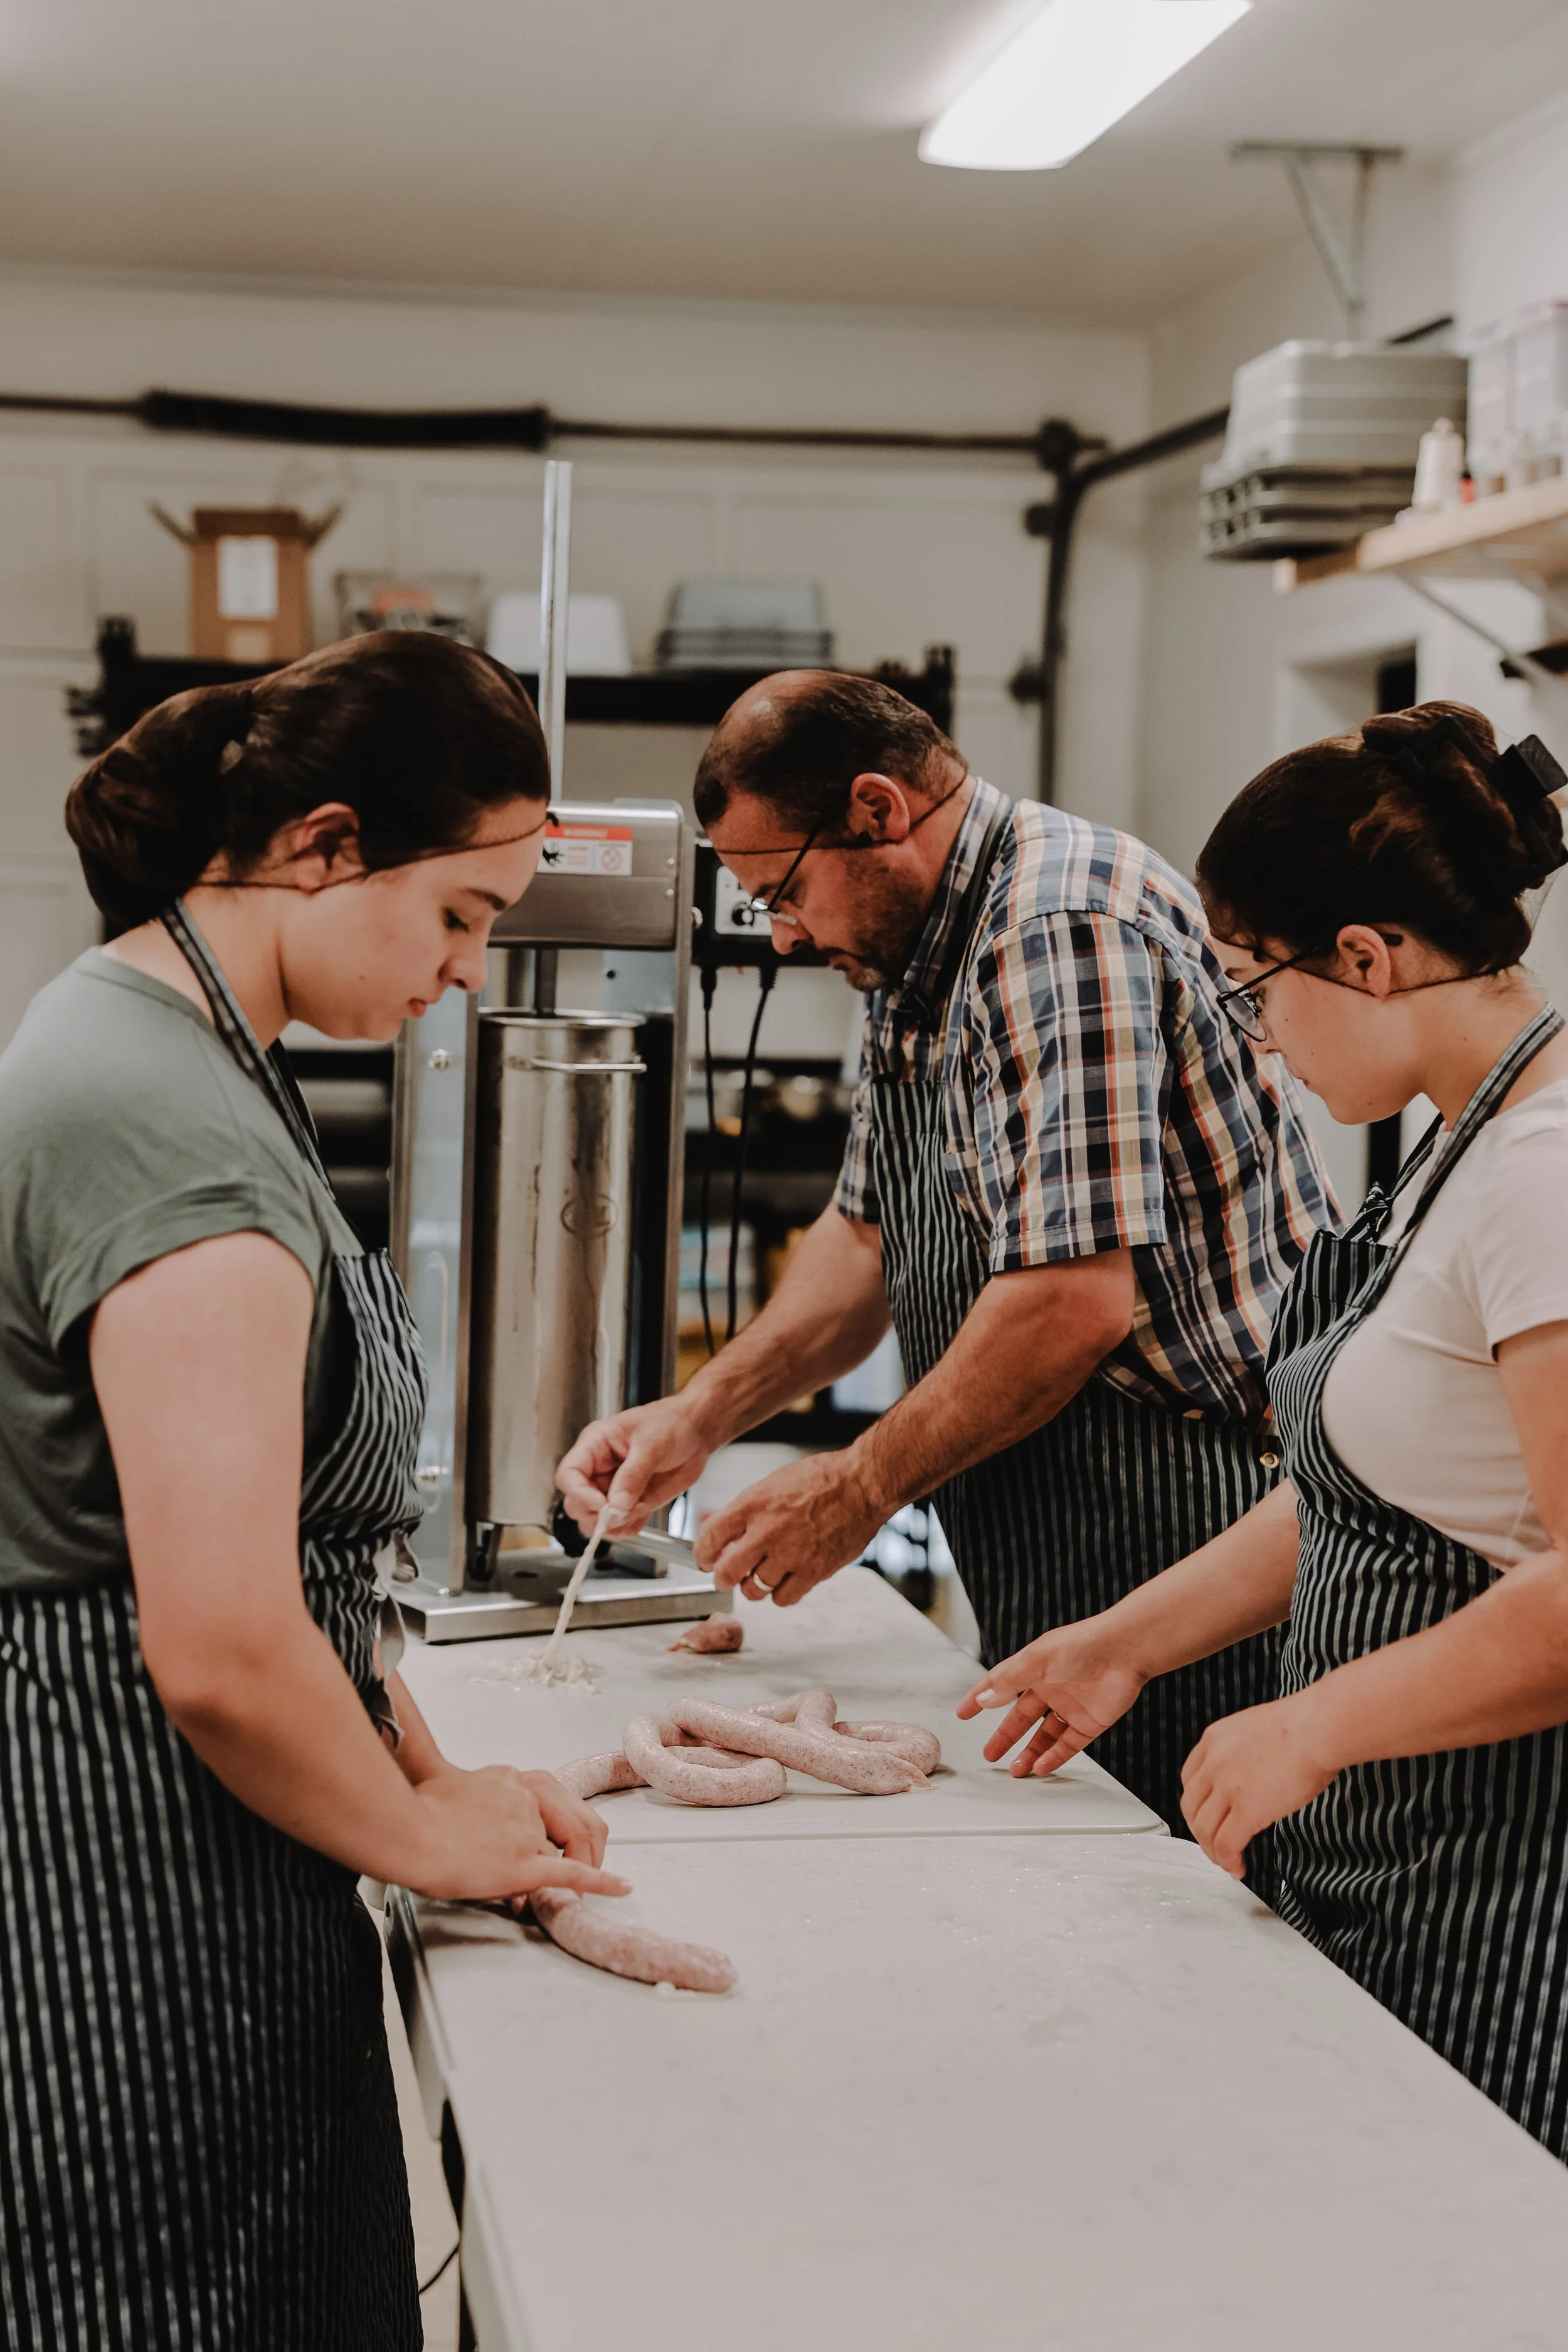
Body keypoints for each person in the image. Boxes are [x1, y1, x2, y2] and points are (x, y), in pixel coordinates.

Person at [0, 631, 629, 2351]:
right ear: (326, 846)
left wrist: (435, 1771)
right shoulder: (167, 1124)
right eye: (461, 915)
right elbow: (213, 1635)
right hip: (129, 1870)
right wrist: (422, 1835)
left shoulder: (180, 1046)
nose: (467, 968)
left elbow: (288, 1568)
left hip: (207, 1835)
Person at [559, 672, 1335, 1834]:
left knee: (1190, 1901)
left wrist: (859, 1485)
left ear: (877, 810)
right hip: (1056, 1507)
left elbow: (1073, 1299)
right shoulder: (909, 948)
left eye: (782, 889)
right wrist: (703, 1412)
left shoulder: (1055, 929)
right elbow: (866, 1235)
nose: (781, 931)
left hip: (1195, 1512)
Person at [963, 700, 1568, 2159]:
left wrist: (1313, 1725)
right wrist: (1124, 1643)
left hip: (1501, 1890)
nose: (1255, 1041)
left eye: (1252, 992)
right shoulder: (1457, 1149)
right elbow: (1359, 1487)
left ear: (1365, 959)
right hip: (1390, 1860)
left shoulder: (1547, 1176)